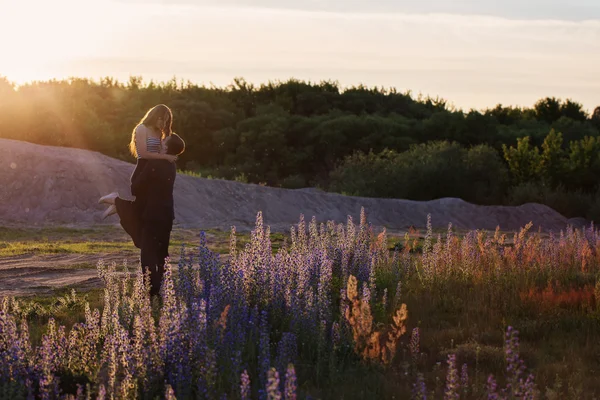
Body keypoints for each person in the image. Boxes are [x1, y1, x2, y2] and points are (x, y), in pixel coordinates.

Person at [100, 133, 186, 296]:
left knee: (148, 255)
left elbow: (135, 188)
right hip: (166, 215)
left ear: (166, 147)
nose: (160, 142)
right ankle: (162, 291)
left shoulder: (155, 163)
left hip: (152, 215)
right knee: (162, 254)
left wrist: (142, 160)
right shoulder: (171, 165)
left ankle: (152, 293)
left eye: (163, 141)